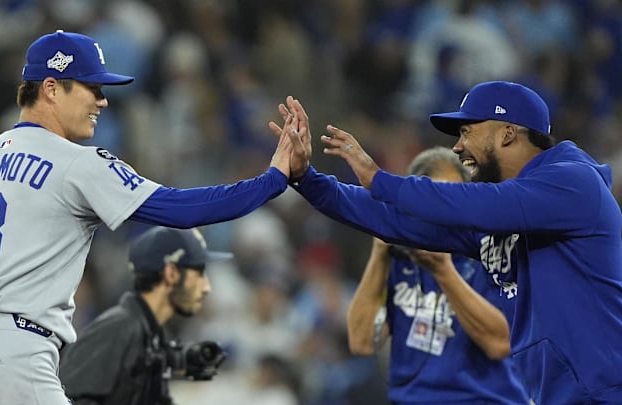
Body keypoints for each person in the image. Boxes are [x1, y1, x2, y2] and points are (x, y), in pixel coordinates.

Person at [0, 30, 296, 405]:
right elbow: (181, 209)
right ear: (51, 88)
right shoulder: (76, 162)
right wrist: (273, 180)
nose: (103, 101)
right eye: (92, 88)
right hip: (17, 356)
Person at [274, 82, 622, 403]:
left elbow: (470, 203)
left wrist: (378, 178)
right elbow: (397, 220)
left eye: (467, 131)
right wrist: (309, 180)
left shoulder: (573, 182)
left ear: (507, 133)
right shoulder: (503, 216)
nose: (457, 146)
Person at [346, 147, 528, 403]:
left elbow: (500, 344)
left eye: (450, 199)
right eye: (431, 200)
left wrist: (443, 271)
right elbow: (361, 342)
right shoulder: (400, 258)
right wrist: (380, 250)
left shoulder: (491, 254)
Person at [59, 226, 229, 405]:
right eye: (198, 275)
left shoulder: (149, 334)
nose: (206, 287)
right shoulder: (119, 330)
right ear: (171, 275)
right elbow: (64, 396)